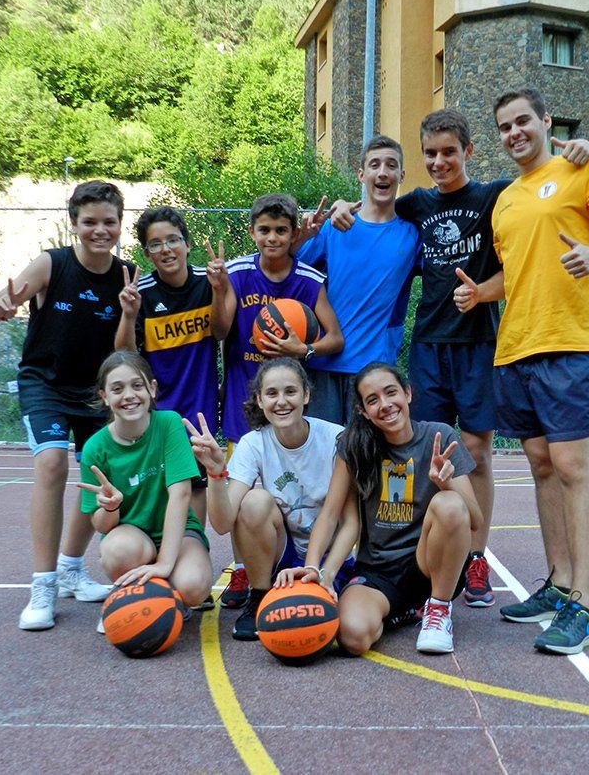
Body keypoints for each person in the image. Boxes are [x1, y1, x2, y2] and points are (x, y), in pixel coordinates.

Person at [329, 112, 589, 609]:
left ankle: (476, 555)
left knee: (475, 450)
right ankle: (418, 553)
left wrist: (576, 152)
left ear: (468, 152)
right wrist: (344, 205)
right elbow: (374, 203)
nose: (439, 161)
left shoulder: (492, 196)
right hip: (429, 343)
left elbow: (538, 189)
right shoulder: (417, 203)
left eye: (449, 152)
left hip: (479, 343)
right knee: (424, 450)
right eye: (430, 154)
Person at [484, 87, 589, 654]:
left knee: (573, 467)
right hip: (515, 347)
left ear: (546, 121)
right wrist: (481, 294)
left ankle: (585, 606)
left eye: (522, 120)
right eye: (504, 126)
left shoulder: (582, 168)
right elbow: (519, 272)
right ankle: (557, 582)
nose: (514, 132)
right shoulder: (504, 201)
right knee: (542, 466)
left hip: (570, 343)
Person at [0, 180, 135, 631]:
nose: (99, 230)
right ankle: (43, 585)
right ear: (74, 225)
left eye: (109, 222)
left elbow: (123, 352)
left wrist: (127, 315)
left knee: (98, 474)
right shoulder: (53, 263)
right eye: (90, 222)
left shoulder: (125, 276)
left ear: (120, 225)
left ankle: (71, 568)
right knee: (51, 464)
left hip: (94, 392)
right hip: (45, 384)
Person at [276, 362, 482, 655]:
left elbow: (474, 520)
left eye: (391, 393)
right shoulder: (354, 446)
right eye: (372, 400)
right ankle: (405, 611)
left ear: (407, 393)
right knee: (352, 637)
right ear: (363, 410)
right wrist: (318, 570)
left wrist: (446, 484)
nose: (385, 405)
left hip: (429, 564)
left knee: (449, 504)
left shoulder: (441, 437)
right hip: (378, 571)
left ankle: (437, 608)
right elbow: (332, 514)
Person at [213, 193, 344, 608]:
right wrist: (218, 289)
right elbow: (219, 330)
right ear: (251, 232)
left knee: (296, 485)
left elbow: (335, 339)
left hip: (286, 395)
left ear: (294, 235)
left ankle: (307, 559)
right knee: (246, 494)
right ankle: (244, 572)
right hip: (245, 397)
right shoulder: (236, 273)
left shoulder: (307, 278)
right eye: (264, 230)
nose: (272, 237)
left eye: (281, 230)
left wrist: (302, 349)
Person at [184, 357, 355, 640]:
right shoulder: (253, 443)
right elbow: (224, 523)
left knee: (345, 628)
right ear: (260, 401)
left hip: (331, 556)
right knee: (254, 502)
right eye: (272, 393)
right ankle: (260, 594)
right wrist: (215, 474)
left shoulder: (337, 438)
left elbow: (350, 522)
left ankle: (325, 581)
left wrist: (323, 571)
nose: (282, 401)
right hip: (285, 555)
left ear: (306, 395)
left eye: (290, 391)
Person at [114, 207, 227, 610]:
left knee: (194, 497)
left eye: (172, 240)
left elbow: (220, 331)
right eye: (155, 244)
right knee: (159, 493)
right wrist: (128, 315)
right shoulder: (141, 292)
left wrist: (220, 290)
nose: (166, 249)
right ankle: (150, 565)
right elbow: (125, 356)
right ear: (147, 252)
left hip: (196, 409)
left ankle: (187, 569)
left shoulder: (205, 282)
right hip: (157, 413)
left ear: (186, 243)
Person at [77, 351, 213, 621]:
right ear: (104, 397)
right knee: (118, 552)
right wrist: (111, 508)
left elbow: (181, 493)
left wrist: (165, 563)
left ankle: (164, 591)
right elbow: (102, 526)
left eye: (137, 386)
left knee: (194, 588)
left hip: (178, 532)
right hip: (132, 535)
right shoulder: (95, 448)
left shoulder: (169, 423)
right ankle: (135, 601)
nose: (128, 395)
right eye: (117, 389)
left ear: (151, 389)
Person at [295, 135, 421, 425]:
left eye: (391, 165)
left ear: (401, 175)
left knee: (365, 459)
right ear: (361, 174)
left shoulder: (412, 235)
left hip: (373, 367)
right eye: (374, 164)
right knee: (324, 458)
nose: (382, 172)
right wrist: (303, 233)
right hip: (323, 360)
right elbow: (289, 271)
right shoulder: (335, 226)